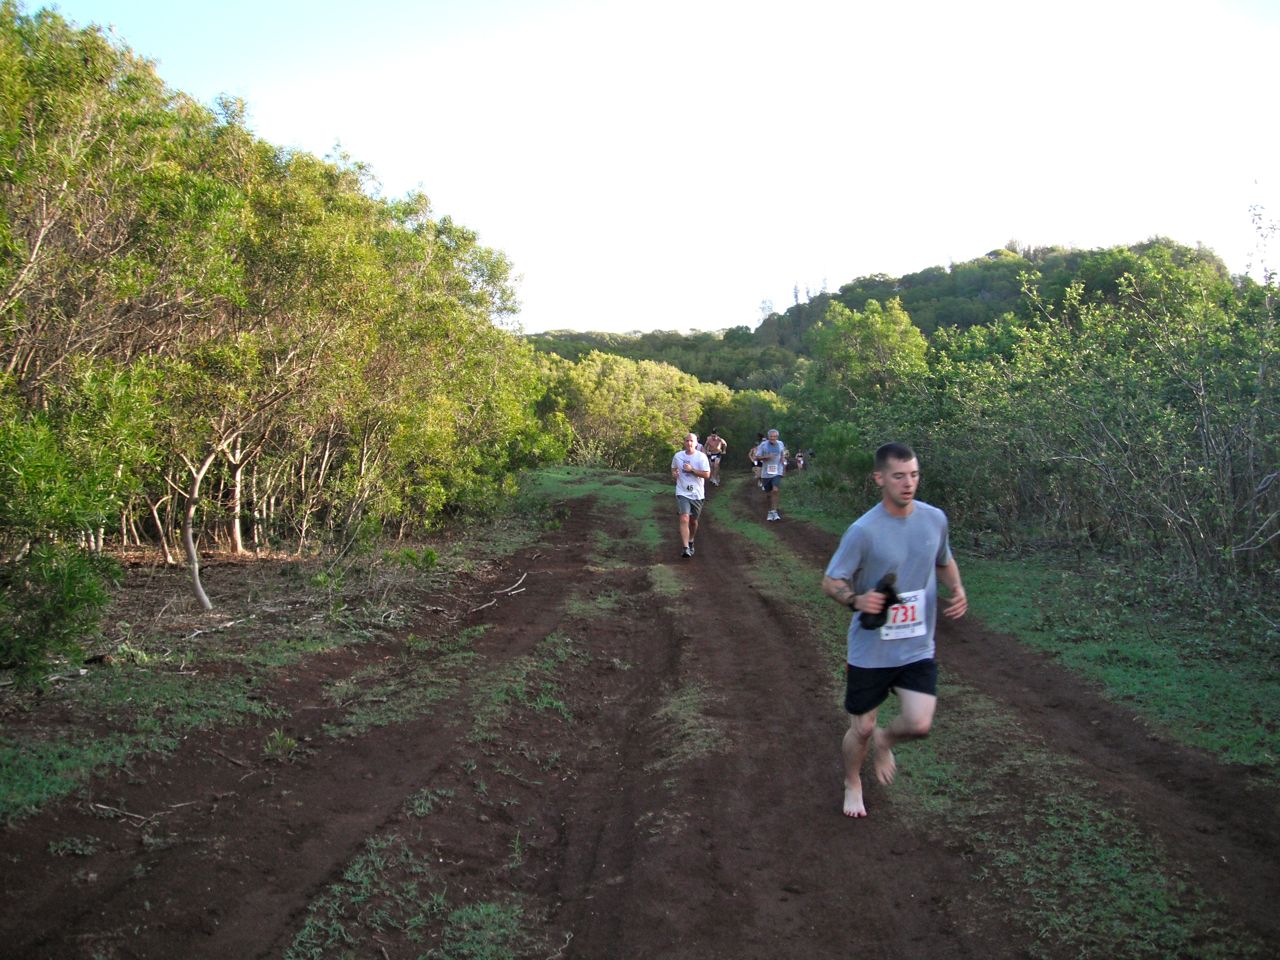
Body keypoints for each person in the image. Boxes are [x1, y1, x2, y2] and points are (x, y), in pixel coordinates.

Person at [820, 442, 967, 819]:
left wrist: (958, 588)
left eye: (914, 475)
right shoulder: (863, 531)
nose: (908, 483)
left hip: (917, 645)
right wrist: (856, 600)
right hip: (871, 649)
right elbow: (832, 580)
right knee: (863, 727)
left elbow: (943, 559)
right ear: (879, 478)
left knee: (919, 723)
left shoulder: (934, 519)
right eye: (899, 476)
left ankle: (887, 741)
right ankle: (853, 780)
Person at [670, 432, 711, 558]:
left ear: (696, 443)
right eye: (687, 441)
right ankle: (685, 548)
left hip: (697, 494)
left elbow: (707, 475)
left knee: (693, 522)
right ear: (684, 442)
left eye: (691, 441)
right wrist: (674, 474)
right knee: (684, 518)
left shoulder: (701, 457)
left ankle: (691, 540)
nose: (689, 443)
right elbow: (673, 469)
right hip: (682, 492)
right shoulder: (678, 456)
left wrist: (692, 470)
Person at [755, 428, 787, 521]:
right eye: (771, 436)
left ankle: (775, 511)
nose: (773, 438)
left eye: (775, 436)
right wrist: (766, 456)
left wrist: (784, 466)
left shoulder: (780, 444)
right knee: (768, 494)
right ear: (768, 437)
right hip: (766, 473)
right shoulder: (763, 445)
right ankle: (770, 511)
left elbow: (782, 455)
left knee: (775, 490)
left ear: (777, 437)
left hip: (777, 471)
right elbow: (757, 457)